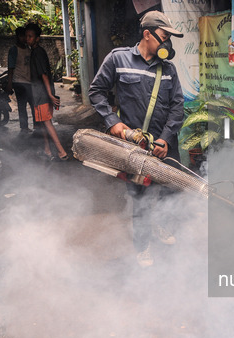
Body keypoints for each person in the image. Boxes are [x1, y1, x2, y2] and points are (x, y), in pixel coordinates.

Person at [88, 10, 184, 267]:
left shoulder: (169, 69)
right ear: (147, 34)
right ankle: (143, 246)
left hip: (165, 147)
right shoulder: (118, 59)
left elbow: (177, 107)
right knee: (140, 198)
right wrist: (113, 122)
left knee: (171, 190)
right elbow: (96, 92)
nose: (167, 44)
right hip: (135, 149)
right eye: (164, 37)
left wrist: (165, 139)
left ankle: (162, 225)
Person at [25, 23, 68, 161]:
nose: (28, 39)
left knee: (47, 123)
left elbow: (43, 75)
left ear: (37, 38)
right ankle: (47, 150)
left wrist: (49, 95)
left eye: (30, 36)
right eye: (27, 36)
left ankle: (61, 152)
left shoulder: (38, 52)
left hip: (41, 94)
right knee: (43, 122)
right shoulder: (37, 51)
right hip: (41, 94)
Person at [6, 27, 35, 133]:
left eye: (27, 36)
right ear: (18, 37)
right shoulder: (14, 50)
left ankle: (35, 125)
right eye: (23, 36)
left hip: (29, 81)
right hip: (18, 81)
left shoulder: (29, 49)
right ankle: (24, 127)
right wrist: (10, 83)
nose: (25, 38)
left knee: (33, 104)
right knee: (22, 105)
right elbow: (10, 67)